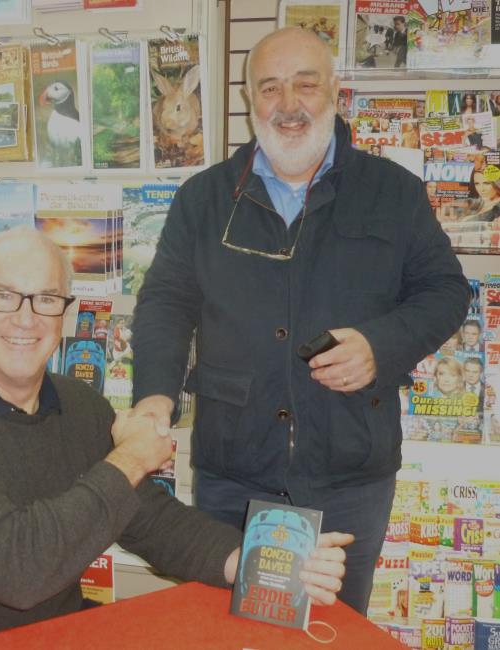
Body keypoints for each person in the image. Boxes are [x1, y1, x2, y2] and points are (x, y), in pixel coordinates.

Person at [0, 229, 352, 650]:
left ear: (66, 315)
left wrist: (263, 560)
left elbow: (152, 522)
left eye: (46, 300)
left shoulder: (78, 404)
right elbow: (18, 570)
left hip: (59, 635)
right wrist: (131, 455)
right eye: (3, 296)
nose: (26, 318)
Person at [130, 27, 469, 616]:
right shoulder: (203, 200)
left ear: (334, 91)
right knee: (227, 629)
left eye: (306, 85)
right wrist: (154, 399)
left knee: (335, 630)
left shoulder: (394, 192)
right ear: (249, 99)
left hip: (350, 478)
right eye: (270, 87)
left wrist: (379, 345)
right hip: (232, 477)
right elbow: (165, 303)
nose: (289, 104)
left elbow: (444, 292)